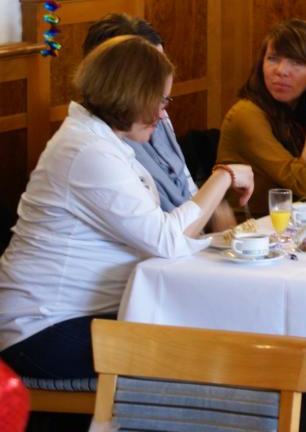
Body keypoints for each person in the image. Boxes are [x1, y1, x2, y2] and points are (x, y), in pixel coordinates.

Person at [0, 36, 254, 379]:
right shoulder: (87, 150)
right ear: (130, 95)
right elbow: (168, 240)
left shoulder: (103, 141)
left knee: (221, 326)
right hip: (42, 329)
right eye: (160, 100)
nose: (163, 113)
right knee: (202, 354)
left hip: (82, 315)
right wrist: (223, 176)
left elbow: (163, 234)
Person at [82, 13, 235, 232]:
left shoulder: (157, 115)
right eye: (151, 74)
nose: (161, 110)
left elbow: (186, 185)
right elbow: (162, 238)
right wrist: (222, 179)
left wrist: (212, 210)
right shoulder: (100, 147)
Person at [217, 19, 306, 216]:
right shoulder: (245, 114)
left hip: (293, 225)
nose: (281, 71)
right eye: (272, 59)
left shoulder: (298, 107)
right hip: (252, 230)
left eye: (296, 62)